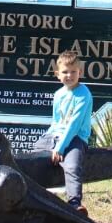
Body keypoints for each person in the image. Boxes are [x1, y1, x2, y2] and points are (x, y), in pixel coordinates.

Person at [33, 49, 92, 214]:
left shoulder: (83, 94)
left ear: (80, 72)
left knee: (72, 165)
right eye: (65, 72)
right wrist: (47, 139)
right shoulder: (58, 94)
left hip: (75, 138)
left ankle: (74, 203)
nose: (69, 75)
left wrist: (60, 147)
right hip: (55, 135)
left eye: (73, 72)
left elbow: (74, 125)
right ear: (57, 74)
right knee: (33, 157)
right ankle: (35, 200)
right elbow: (56, 122)